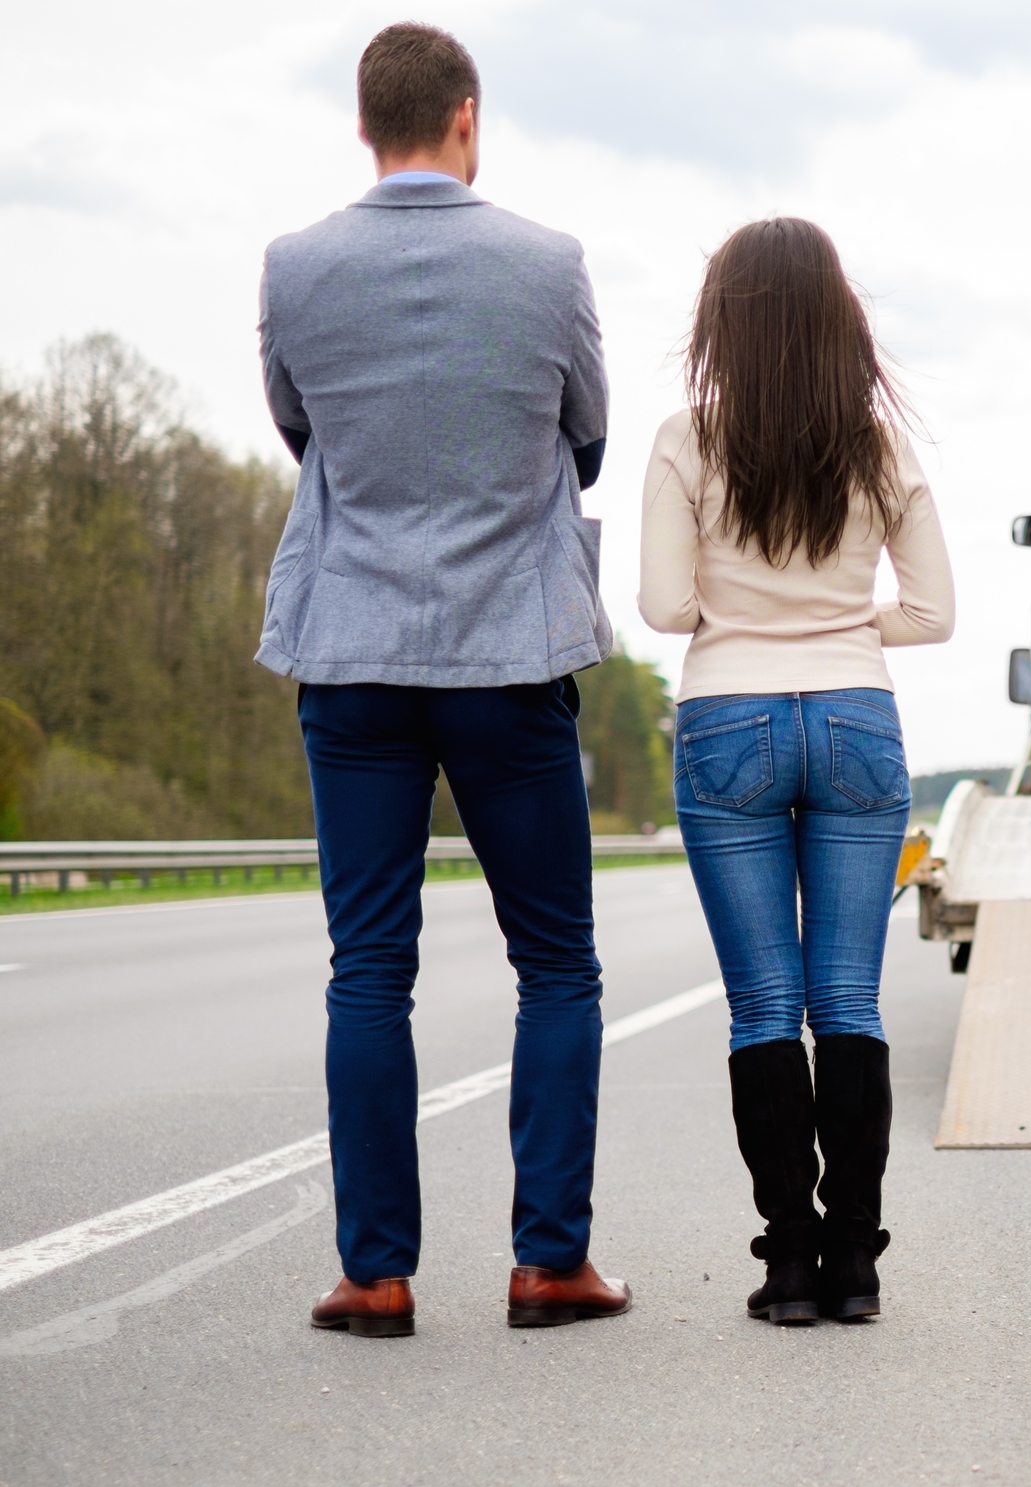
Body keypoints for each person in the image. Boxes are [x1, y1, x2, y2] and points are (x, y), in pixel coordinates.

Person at [257, 22, 630, 1337]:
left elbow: (301, 430)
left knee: (369, 964)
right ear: (467, 116)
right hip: (507, 655)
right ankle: (548, 1262)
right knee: (558, 962)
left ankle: (375, 1272)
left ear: (367, 124)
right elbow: (585, 434)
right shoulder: (548, 263)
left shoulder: (295, 267)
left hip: (351, 655)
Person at [639, 218, 954, 1325]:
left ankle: (787, 1263)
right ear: (839, 323)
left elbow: (665, 608)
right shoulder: (879, 447)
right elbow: (932, 613)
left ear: (720, 324)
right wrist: (839, 623)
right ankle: (856, 1266)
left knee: (763, 1007)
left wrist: (748, 616)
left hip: (728, 718)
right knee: (849, 1001)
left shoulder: (687, 439)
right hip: (857, 717)